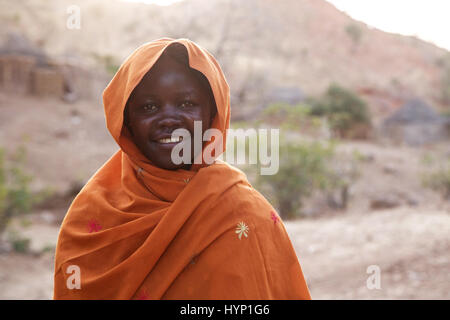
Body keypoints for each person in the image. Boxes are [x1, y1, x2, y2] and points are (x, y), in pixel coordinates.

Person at [53, 38, 311, 300]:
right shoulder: (89, 217)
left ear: (213, 113)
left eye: (187, 104)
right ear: (126, 121)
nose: (169, 119)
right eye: (149, 107)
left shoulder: (243, 214)